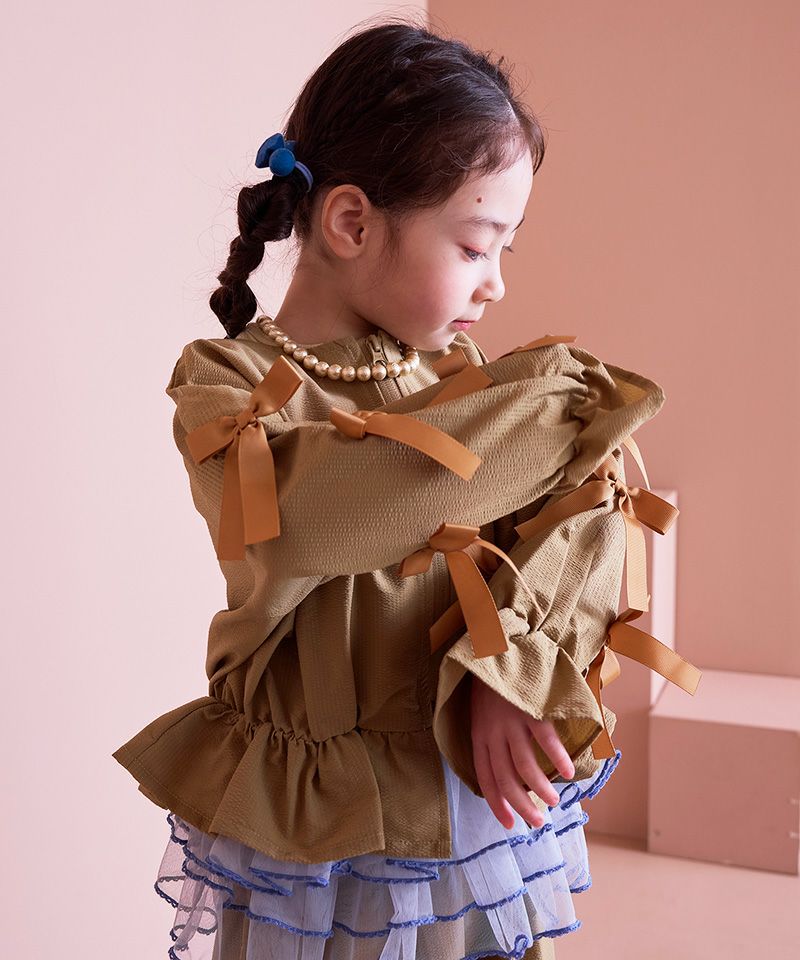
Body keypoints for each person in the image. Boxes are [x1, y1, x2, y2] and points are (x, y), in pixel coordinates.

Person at [112, 17, 700, 960]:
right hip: (317, 829)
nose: (496, 285)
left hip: (465, 794)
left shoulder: (471, 384)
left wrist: (507, 666)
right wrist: (554, 420)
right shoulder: (223, 386)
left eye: (505, 251)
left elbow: (597, 508)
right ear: (350, 223)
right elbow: (308, 521)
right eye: (475, 247)